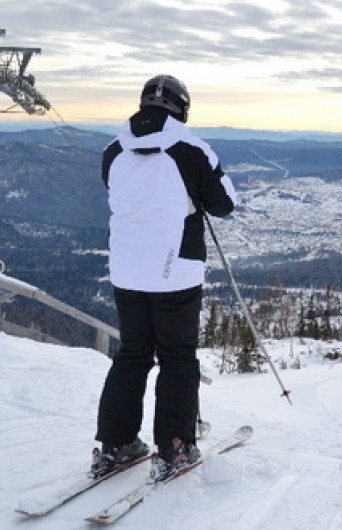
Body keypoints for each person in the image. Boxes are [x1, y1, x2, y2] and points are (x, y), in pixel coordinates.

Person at [90, 74, 238, 482]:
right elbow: (224, 204)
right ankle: (174, 447)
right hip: (176, 271)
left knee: (133, 353)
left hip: (126, 270)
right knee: (176, 357)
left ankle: (115, 444)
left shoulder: (113, 149)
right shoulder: (191, 150)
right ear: (182, 108)